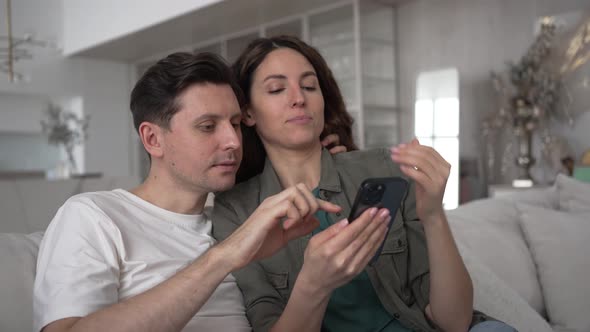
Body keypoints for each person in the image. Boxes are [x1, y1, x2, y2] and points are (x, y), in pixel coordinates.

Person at [32, 52, 363, 332]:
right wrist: (222, 258)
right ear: (153, 139)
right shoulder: (94, 216)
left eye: (235, 123)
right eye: (207, 127)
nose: (233, 141)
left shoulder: (235, 220)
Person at [212, 35, 516, 332]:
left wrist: (434, 215)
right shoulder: (236, 212)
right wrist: (313, 283)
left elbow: (454, 322)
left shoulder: (382, 168)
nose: (298, 98)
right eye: (277, 89)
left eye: (309, 86)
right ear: (248, 112)